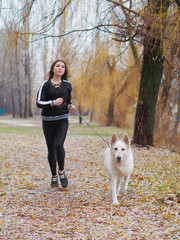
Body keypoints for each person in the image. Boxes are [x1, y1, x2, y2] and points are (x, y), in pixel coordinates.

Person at [36, 59, 75, 188]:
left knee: (59, 145)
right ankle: (53, 176)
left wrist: (70, 106)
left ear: (64, 70)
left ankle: (61, 172)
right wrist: (53, 102)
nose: (60, 68)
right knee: (51, 149)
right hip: (48, 121)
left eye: (62, 67)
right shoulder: (45, 85)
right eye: (57, 66)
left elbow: (68, 101)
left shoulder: (67, 85)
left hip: (62, 119)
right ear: (53, 69)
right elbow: (39, 103)